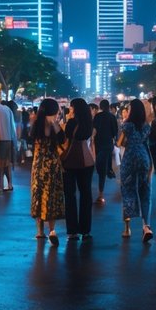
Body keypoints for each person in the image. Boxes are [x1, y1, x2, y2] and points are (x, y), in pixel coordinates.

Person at [116, 98, 154, 242]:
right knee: (145, 192)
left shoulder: (127, 125)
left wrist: (128, 141)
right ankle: (146, 226)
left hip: (130, 159)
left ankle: (127, 228)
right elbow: (147, 145)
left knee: (127, 191)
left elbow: (119, 143)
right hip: (143, 158)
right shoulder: (146, 126)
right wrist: (151, 166)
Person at [29, 98, 66, 243]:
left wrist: (52, 123)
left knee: (42, 195)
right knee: (47, 196)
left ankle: (45, 231)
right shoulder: (45, 125)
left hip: (40, 165)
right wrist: (53, 124)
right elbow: (62, 140)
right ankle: (48, 230)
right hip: (49, 165)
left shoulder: (40, 124)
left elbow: (62, 140)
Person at [60, 97, 97, 240]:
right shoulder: (89, 123)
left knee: (70, 196)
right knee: (86, 195)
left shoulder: (71, 123)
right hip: (87, 161)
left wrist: (66, 122)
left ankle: (72, 231)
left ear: (75, 109)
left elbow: (66, 140)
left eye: (71, 107)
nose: (70, 110)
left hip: (71, 161)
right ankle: (86, 229)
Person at [92, 98, 118, 203]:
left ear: (101, 107)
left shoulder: (97, 116)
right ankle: (109, 170)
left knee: (100, 168)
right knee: (104, 165)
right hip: (108, 144)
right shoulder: (112, 117)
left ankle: (101, 193)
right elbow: (115, 132)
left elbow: (94, 130)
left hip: (98, 144)